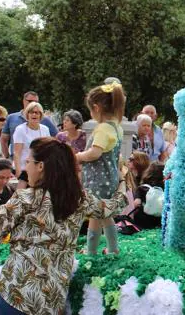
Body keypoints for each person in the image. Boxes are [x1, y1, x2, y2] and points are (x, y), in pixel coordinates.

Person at [0, 137, 127, 315]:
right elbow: (113, 206)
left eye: (28, 162)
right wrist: (122, 181)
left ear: (40, 166)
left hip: (14, 296)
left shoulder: (25, 199)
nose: (26, 168)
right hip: (51, 302)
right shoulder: (79, 200)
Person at [76, 81, 126, 255]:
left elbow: (94, 153)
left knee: (96, 215)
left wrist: (77, 156)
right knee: (105, 215)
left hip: (98, 181)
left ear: (96, 108)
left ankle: (92, 251)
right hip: (109, 178)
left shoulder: (103, 129)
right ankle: (112, 248)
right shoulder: (116, 128)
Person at [0, 91, 58, 158]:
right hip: (16, 159)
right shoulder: (11, 118)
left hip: (37, 160)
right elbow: (4, 139)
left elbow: (55, 138)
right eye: (30, 101)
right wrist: (7, 157)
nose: (33, 104)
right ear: (24, 101)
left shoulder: (45, 120)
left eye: (36, 102)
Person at [12, 102, 51, 189]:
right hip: (24, 170)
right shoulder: (20, 129)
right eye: (31, 112)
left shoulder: (45, 129)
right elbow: (17, 152)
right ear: (27, 114)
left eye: (37, 112)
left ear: (40, 115)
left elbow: (48, 151)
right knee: (21, 196)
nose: (34, 114)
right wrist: (18, 172)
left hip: (40, 170)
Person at [132, 162, 164, 229]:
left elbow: (136, 203)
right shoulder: (165, 189)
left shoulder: (142, 188)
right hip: (160, 221)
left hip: (144, 222)